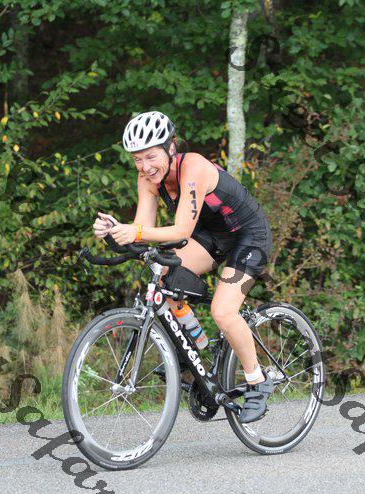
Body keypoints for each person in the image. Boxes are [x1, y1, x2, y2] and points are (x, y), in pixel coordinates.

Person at [93, 110, 274, 423]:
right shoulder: (148, 179)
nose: (145, 166)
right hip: (213, 235)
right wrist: (114, 232)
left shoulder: (194, 167)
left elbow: (180, 231)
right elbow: (143, 229)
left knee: (223, 311)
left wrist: (133, 232)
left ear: (171, 147)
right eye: (137, 159)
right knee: (163, 275)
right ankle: (195, 347)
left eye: (151, 156)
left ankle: (258, 381)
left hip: (250, 236)